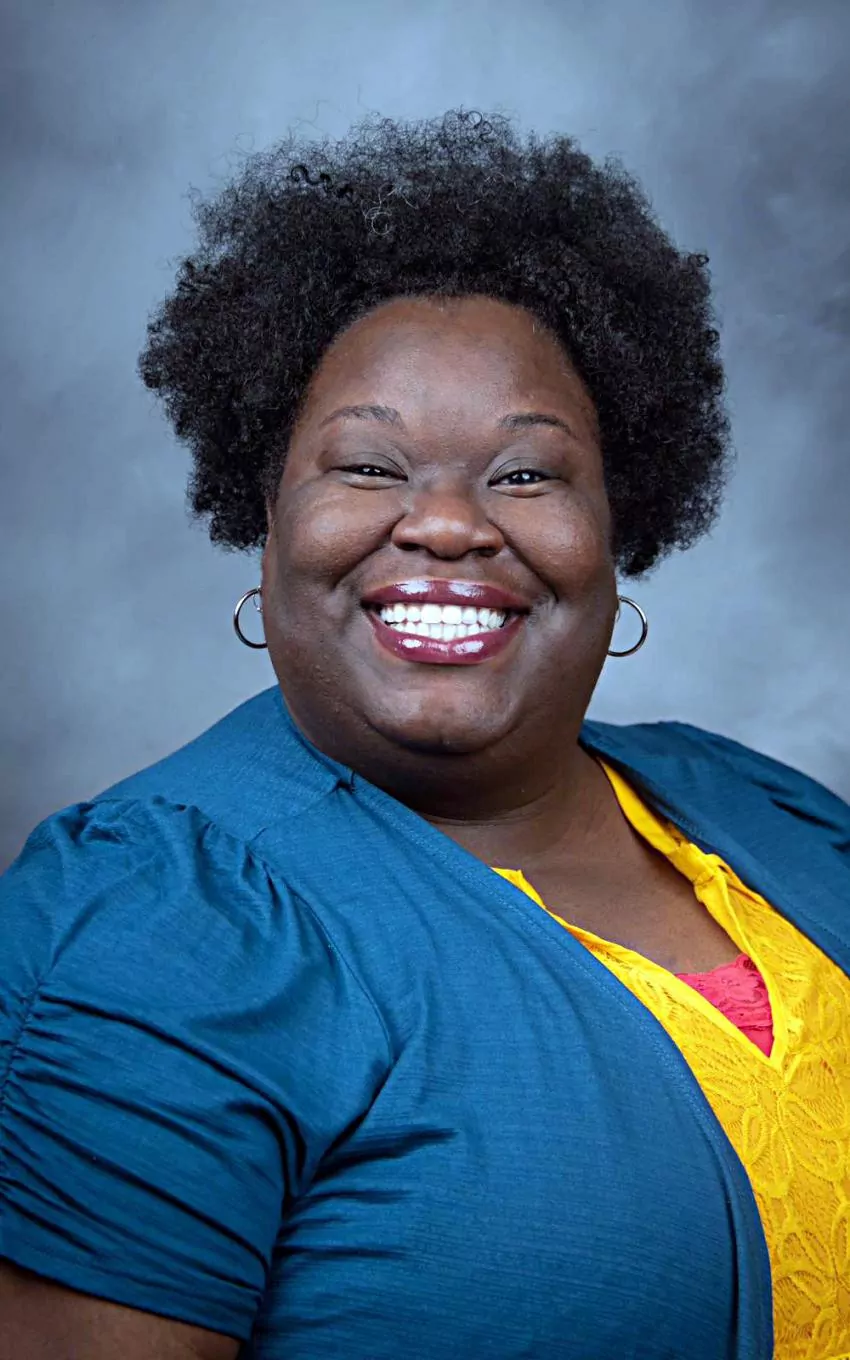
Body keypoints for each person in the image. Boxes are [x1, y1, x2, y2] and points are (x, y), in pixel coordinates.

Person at [1, 110, 848, 1360]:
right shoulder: (150, 926)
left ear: (615, 528)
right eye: (367, 466)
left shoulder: (773, 814)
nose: (447, 524)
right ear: (266, 515)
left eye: (525, 475)